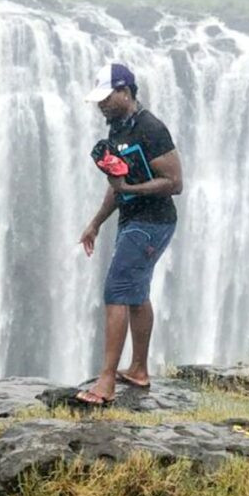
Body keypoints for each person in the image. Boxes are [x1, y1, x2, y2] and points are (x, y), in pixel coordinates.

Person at [77, 63, 183, 405]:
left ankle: (105, 382)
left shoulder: (151, 129)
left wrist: (131, 189)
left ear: (126, 92)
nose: (102, 105)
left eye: (107, 97)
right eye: (99, 100)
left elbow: (175, 183)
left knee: (117, 288)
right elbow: (116, 185)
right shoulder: (117, 131)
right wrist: (96, 222)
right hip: (133, 220)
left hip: (153, 222)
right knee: (136, 293)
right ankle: (138, 370)